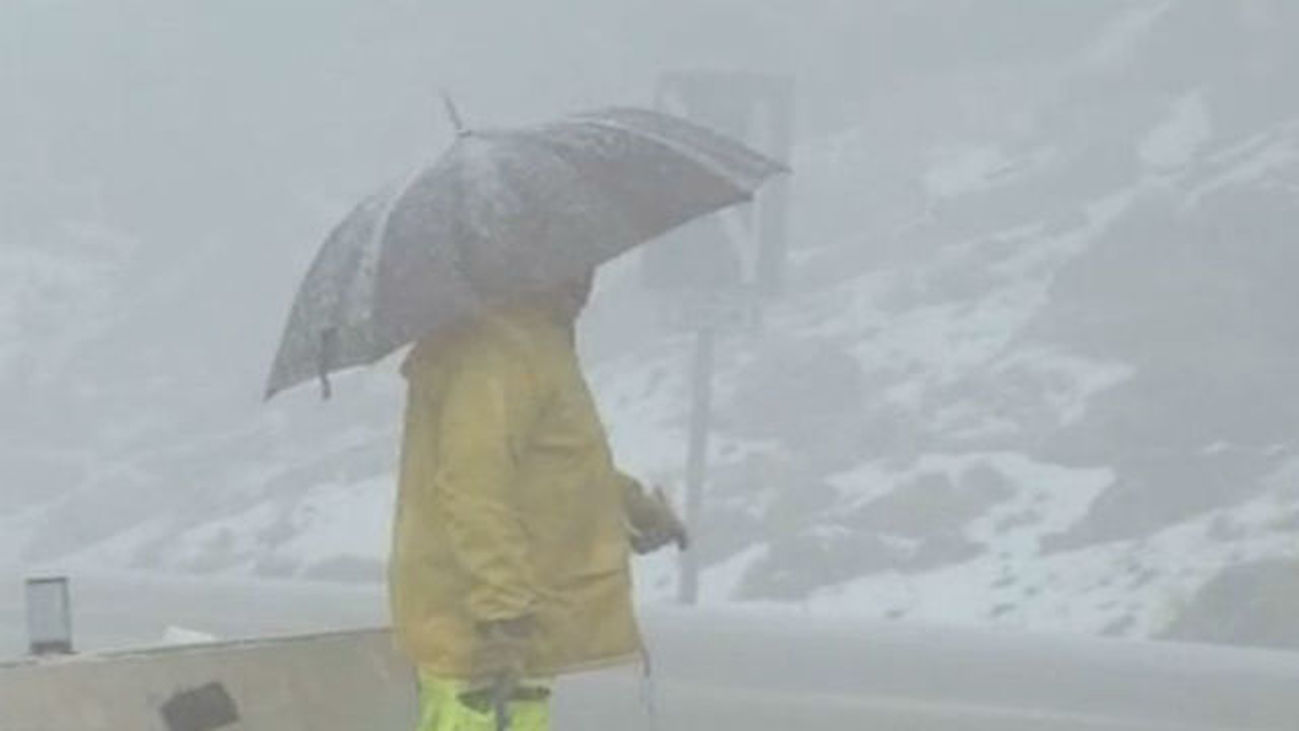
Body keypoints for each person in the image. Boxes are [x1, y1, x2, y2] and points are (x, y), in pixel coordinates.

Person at [389, 269, 688, 731]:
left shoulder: (529, 343)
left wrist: (628, 504)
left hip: (509, 638)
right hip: (481, 648)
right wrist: (501, 617)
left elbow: (549, 467)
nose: (585, 282)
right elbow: (474, 491)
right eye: (571, 266)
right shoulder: (498, 354)